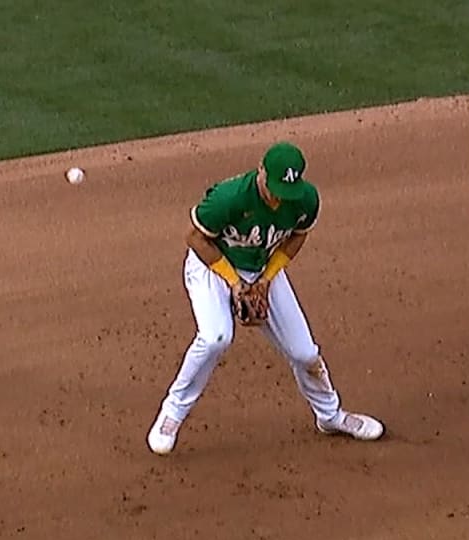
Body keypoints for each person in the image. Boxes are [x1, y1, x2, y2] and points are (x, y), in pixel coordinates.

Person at [147, 141, 384, 456]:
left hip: (260, 269)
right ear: (260, 172)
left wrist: (266, 280)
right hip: (213, 266)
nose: (277, 199)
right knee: (216, 337)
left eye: (284, 193)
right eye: (273, 189)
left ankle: (330, 416)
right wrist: (234, 284)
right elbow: (195, 237)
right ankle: (172, 412)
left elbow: (299, 235)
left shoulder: (305, 200)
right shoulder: (229, 198)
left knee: (304, 352)